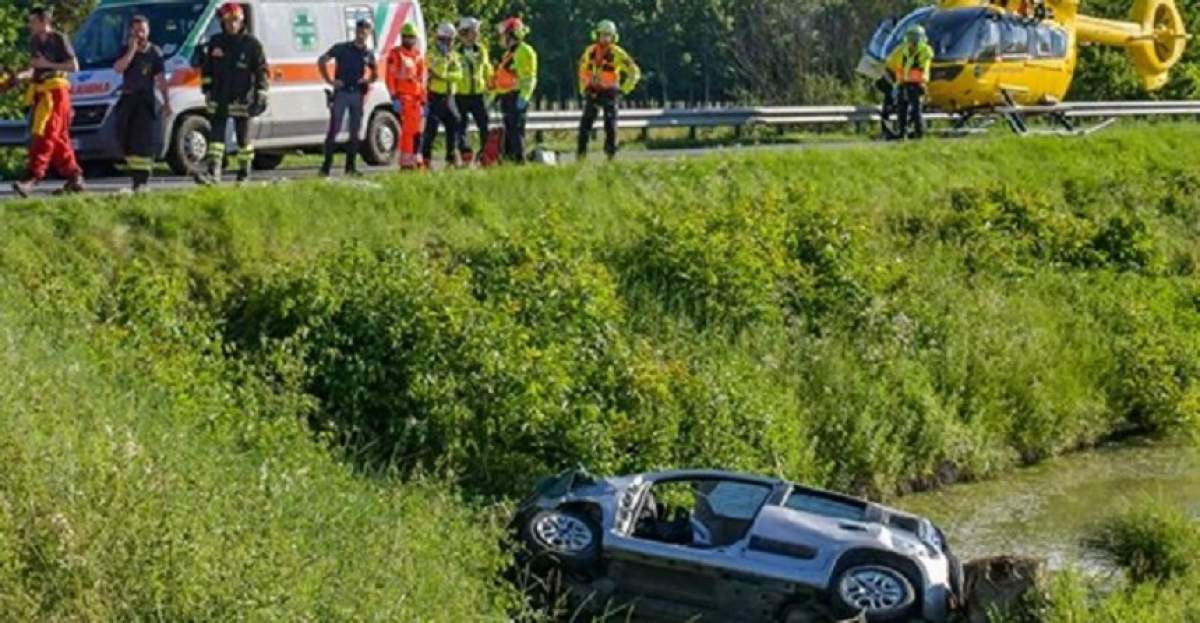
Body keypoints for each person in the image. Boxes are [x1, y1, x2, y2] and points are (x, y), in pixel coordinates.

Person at [11, 6, 85, 198]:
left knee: (46, 134)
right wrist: (19, 77)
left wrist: (48, 65)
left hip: (57, 91)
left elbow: (73, 66)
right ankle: (74, 176)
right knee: (59, 138)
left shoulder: (59, 39)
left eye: (33, 21)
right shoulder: (34, 41)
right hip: (41, 91)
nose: (30, 25)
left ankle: (32, 177)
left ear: (44, 22)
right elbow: (36, 70)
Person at [191, 2, 268, 184]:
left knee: (243, 141)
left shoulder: (252, 45)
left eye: (235, 21)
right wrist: (207, 91)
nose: (232, 25)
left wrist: (261, 93)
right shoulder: (216, 42)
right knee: (216, 141)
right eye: (228, 21)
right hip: (220, 97)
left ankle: (243, 174)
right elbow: (207, 70)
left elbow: (261, 71)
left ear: (241, 21)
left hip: (243, 98)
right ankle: (213, 174)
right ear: (222, 23)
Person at [113, 15, 170, 192]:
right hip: (127, 99)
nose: (140, 33)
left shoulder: (155, 52)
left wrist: (167, 102)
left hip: (145, 101)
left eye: (143, 30)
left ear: (148, 31)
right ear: (131, 31)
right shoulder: (125, 49)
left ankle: (142, 181)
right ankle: (135, 179)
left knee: (143, 142)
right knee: (125, 139)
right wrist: (132, 51)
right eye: (136, 30)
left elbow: (160, 79)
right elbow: (118, 69)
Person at [317, 20, 378, 177]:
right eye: (360, 31)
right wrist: (330, 81)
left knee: (355, 131)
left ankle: (350, 167)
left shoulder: (368, 53)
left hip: (357, 94)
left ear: (369, 34)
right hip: (342, 93)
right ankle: (326, 166)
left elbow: (375, 73)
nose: (362, 34)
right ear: (355, 31)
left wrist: (367, 81)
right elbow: (322, 60)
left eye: (365, 31)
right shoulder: (342, 49)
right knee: (334, 129)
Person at [576, 20, 640, 161]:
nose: (605, 38)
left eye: (608, 35)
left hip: (610, 93)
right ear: (597, 35)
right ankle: (580, 156)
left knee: (610, 126)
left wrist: (624, 89)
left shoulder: (617, 53)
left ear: (613, 37)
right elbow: (582, 70)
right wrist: (584, 87)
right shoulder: (590, 51)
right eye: (602, 35)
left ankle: (610, 156)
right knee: (585, 126)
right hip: (592, 91)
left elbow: (634, 71)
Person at [489, 17, 537, 164]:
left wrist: (524, 97)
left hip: (517, 97)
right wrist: (494, 95)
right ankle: (509, 160)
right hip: (506, 97)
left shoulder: (524, 51)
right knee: (509, 130)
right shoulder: (510, 53)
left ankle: (519, 160)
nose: (502, 39)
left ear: (512, 35)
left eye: (504, 35)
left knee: (516, 131)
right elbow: (503, 78)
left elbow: (529, 77)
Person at [420, 23, 463, 168]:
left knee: (455, 122)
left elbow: (458, 75)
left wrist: (445, 76)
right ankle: (425, 159)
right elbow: (436, 71)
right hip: (435, 96)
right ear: (442, 39)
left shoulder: (454, 55)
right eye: (450, 39)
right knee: (431, 128)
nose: (452, 42)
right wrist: (445, 65)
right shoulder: (432, 54)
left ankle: (451, 157)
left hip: (449, 95)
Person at [385, 22, 426, 170]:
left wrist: (424, 101)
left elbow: (421, 80)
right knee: (409, 132)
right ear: (402, 38)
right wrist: (394, 97)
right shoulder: (396, 54)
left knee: (418, 132)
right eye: (407, 37)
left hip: (416, 100)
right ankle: (407, 161)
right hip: (404, 98)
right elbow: (390, 78)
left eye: (412, 37)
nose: (410, 40)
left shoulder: (417, 56)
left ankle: (416, 158)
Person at [453, 17, 492, 165]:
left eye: (477, 31)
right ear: (464, 33)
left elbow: (487, 68)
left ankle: (486, 154)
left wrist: (491, 82)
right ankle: (465, 154)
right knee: (461, 126)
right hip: (461, 95)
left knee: (484, 124)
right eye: (474, 31)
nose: (477, 34)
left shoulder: (481, 50)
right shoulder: (456, 52)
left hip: (478, 94)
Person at [886, 25, 934, 140]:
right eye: (912, 37)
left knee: (914, 110)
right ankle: (904, 133)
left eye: (915, 37)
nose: (913, 40)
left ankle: (916, 133)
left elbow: (923, 65)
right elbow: (890, 63)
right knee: (904, 109)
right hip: (905, 83)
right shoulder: (903, 49)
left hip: (916, 84)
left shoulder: (924, 50)